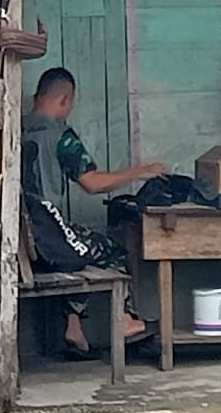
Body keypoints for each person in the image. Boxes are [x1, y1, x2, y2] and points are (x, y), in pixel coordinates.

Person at [22, 67, 165, 359]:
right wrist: (140, 171)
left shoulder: (16, 127)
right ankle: (125, 321)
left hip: (24, 237)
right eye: (71, 103)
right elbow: (92, 183)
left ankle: (74, 328)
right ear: (64, 100)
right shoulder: (61, 135)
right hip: (47, 234)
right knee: (112, 250)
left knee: (79, 247)